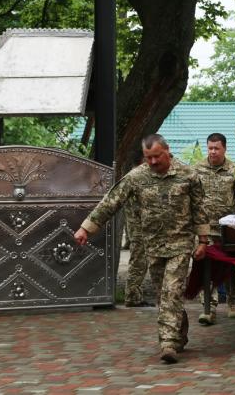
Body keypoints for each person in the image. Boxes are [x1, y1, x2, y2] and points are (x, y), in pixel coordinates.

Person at [74, 134, 209, 364]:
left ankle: (168, 343)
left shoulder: (188, 175)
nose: (153, 162)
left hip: (180, 244)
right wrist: (86, 228)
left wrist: (203, 241)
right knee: (164, 296)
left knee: (172, 291)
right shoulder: (137, 177)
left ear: (167, 150)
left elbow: (199, 208)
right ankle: (179, 332)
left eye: (157, 156)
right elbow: (112, 201)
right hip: (152, 246)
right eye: (148, 157)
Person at [195, 133, 235, 325]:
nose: (213, 152)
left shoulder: (234, 170)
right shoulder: (197, 169)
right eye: (210, 148)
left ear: (224, 148)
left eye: (216, 148)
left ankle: (232, 301)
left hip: (227, 228)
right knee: (205, 268)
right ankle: (209, 308)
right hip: (205, 228)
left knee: (229, 267)